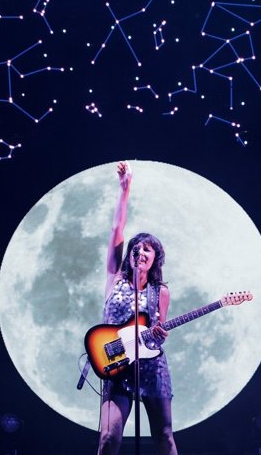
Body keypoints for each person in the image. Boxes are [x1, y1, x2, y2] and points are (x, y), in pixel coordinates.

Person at [97, 161, 178, 455]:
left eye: (147, 249)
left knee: (164, 436)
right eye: (137, 247)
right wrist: (125, 188)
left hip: (151, 366)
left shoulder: (161, 291)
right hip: (117, 365)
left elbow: (157, 331)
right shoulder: (114, 278)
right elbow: (117, 229)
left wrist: (159, 334)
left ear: (155, 258)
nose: (140, 251)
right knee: (109, 437)